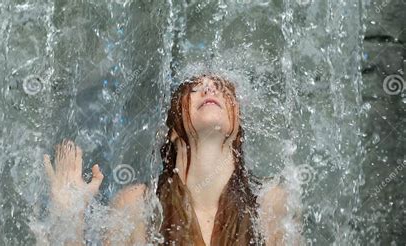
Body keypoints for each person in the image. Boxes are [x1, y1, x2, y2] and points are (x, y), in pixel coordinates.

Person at [43, 74, 298, 245]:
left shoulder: (270, 204)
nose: (209, 89)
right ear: (172, 131)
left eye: (222, 89)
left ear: (237, 127)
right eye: (194, 88)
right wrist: (67, 219)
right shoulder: (138, 206)